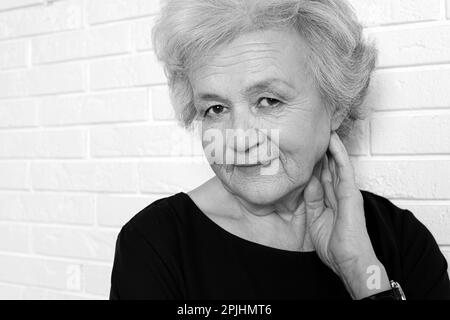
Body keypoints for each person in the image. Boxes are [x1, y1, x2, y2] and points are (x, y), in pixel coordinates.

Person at [109, 0, 450, 299]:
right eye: (215, 109)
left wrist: (361, 271)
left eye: (269, 101)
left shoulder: (402, 241)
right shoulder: (155, 245)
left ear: (336, 106)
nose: (239, 140)